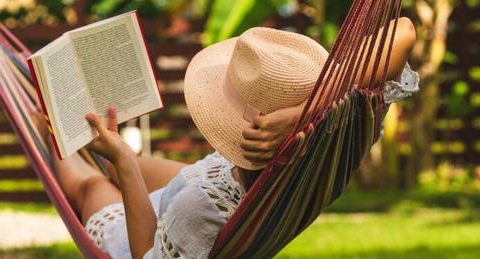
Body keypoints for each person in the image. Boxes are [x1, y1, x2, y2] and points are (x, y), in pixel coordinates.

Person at [34, 18, 419, 259]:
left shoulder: (198, 210)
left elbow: (146, 255)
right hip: (215, 178)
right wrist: (306, 113)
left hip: (164, 225)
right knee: (120, 167)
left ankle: (46, 128)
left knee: (93, 185)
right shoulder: (338, 132)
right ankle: (99, 146)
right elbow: (404, 29)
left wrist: (122, 161)